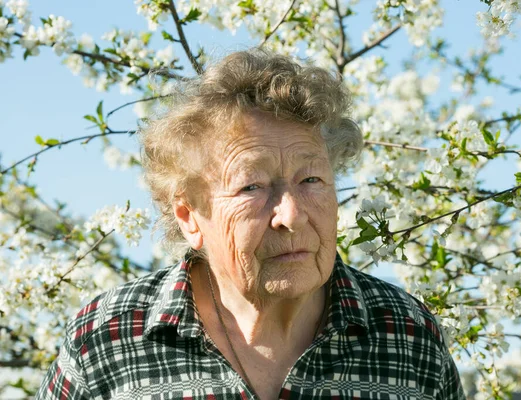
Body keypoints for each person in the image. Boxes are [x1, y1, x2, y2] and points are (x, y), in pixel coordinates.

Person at [36, 49, 466, 400]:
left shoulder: (408, 335)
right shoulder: (106, 339)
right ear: (189, 216)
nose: (292, 215)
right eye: (252, 187)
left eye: (311, 179)